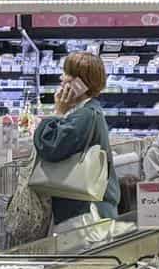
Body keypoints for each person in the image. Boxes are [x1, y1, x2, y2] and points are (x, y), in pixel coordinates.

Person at [32, 51, 120, 227]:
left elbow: (49, 146)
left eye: (67, 74)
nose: (61, 78)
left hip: (85, 213)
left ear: (80, 83)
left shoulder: (85, 115)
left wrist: (57, 113)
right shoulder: (89, 111)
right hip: (91, 208)